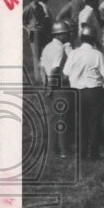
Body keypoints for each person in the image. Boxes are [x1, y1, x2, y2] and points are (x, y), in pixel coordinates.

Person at [61, 23, 104, 161]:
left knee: (82, 123)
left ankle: (82, 154)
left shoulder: (73, 53)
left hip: (77, 93)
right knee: (95, 123)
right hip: (94, 92)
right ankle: (94, 154)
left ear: (81, 38)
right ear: (93, 39)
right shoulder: (97, 54)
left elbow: (65, 75)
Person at [39, 20, 74, 158]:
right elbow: (55, 69)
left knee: (52, 119)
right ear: (60, 35)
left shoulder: (47, 46)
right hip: (58, 86)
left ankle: (52, 150)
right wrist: (51, 87)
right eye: (66, 33)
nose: (68, 35)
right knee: (62, 118)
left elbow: (41, 67)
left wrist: (45, 84)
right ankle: (64, 150)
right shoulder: (59, 49)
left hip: (48, 84)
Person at [24, 0, 52, 84]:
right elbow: (22, 21)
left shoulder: (40, 6)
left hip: (42, 32)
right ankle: (37, 78)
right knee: (36, 56)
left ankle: (45, 76)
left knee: (44, 53)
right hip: (34, 33)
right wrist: (28, 29)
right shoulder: (28, 8)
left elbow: (43, 17)